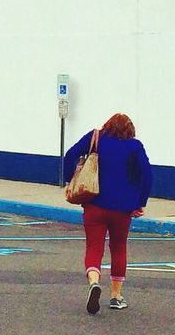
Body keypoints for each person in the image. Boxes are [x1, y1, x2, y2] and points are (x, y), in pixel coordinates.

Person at [63, 112, 152, 314]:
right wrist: (140, 201)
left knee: (94, 248)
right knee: (118, 248)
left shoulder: (95, 137)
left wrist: (69, 181)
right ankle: (116, 296)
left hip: (94, 203)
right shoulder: (134, 146)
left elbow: (70, 155)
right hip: (123, 208)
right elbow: (147, 173)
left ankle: (94, 282)